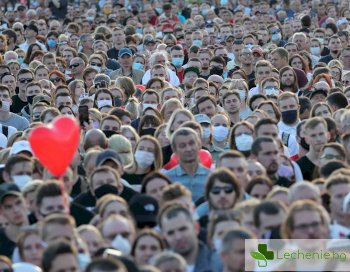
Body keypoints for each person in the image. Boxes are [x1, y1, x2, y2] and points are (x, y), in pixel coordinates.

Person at [159, 204, 212, 272]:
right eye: (171, 233)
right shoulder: (158, 268)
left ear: (196, 228)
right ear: (164, 236)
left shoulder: (219, 263)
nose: (178, 237)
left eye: (182, 229)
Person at [164, 128, 211, 202]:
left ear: (199, 144)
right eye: (182, 146)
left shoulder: (211, 177)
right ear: (174, 150)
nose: (188, 149)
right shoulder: (168, 179)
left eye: (191, 143)